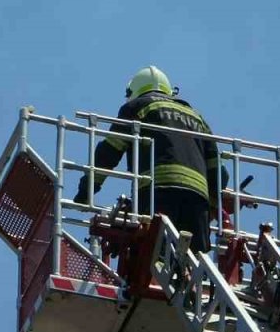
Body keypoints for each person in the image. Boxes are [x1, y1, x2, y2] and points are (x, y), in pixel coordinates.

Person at [73, 66, 221, 253]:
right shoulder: (197, 118)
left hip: (157, 194)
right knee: (197, 265)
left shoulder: (137, 107)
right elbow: (218, 171)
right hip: (197, 201)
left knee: (150, 256)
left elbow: (109, 152)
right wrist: (212, 207)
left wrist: (86, 190)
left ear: (134, 92)